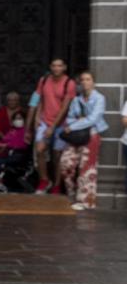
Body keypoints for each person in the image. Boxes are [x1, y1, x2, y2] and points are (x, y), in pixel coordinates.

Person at [59, 70, 107, 210]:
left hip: (91, 135)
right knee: (66, 163)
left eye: (88, 79)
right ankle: (72, 193)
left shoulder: (99, 98)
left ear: (93, 82)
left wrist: (74, 124)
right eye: (83, 79)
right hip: (75, 135)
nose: (85, 82)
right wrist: (77, 122)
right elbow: (69, 117)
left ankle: (86, 201)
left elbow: (93, 119)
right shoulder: (76, 99)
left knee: (87, 168)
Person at [30, 56, 75, 193]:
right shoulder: (44, 81)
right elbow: (40, 99)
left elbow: (64, 108)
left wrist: (53, 127)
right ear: (50, 67)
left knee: (57, 156)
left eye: (59, 66)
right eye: (54, 65)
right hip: (44, 121)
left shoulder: (69, 83)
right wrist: (37, 116)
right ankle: (44, 180)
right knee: (39, 150)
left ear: (64, 67)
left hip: (61, 124)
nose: (56, 68)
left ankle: (57, 184)